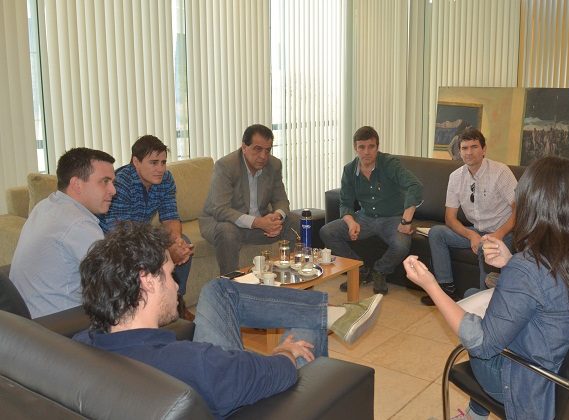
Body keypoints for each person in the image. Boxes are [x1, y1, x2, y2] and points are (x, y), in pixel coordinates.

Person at [73, 221, 383, 419]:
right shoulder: (199, 364)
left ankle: (334, 314)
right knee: (301, 338)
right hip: (236, 402)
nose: (177, 286)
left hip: (203, 387)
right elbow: (276, 373)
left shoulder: (80, 347)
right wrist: (284, 354)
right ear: (148, 281)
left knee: (218, 290)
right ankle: (330, 316)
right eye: (169, 275)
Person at [403, 156, 569, 420]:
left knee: (478, 335)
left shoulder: (529, 267)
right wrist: (510, 264)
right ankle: (475, 415)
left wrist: (431, 286)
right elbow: (558, 291)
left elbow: (482, 345)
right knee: (476, 296)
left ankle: (473, 415)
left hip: (536, 384)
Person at [10, 147, 116, 318]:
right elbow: (116, 282)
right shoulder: (78, 223)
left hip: (27, 324)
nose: (113, 190)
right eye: (105, 181)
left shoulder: (46, 205)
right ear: (76, 184)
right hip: (61, 327)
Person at [98, 135, 194, 318]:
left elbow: (170, 217)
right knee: (155, 252)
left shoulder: (166, 179)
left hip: (140, 232)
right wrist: (164, 252)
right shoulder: (120, 183)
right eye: (154, 162)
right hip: (112, 238)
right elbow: (122, 233)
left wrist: (176, 242)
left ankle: (176, 301)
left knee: (185, 243)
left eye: (163, 162)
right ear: (136, 161)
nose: (160, 169)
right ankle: (146, 307)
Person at [320, 126, 423, 295]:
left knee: (401, 244)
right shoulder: (349, 170)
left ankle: (380, 271)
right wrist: (351, 221)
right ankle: (359, 270)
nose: (367, 152)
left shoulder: (390, 164)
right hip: (365, 217)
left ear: (377, 147)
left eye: (371, 147)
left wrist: (406, 220)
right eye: (362, 147)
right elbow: (345, 202)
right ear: (355, 148)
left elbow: (415, 186)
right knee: (327, 231)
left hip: (392, 218)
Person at [421, 128, 516, 306]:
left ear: (484, 149)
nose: (469, 152)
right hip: (476, 231)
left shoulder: (500, 172)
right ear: (459, 151)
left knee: (485, 247)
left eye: (474, 147)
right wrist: (471, 235)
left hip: (503, 232)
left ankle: (484, 300)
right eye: (464, 148)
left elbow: (519, 209)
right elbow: (450, 218)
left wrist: (499, 234)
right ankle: (446, 290)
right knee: (437, 233)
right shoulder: (456, 177)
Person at [199, 124, 300, 275]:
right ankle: (231, 285)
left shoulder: (274, 165)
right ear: (244, 147)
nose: (263, 156)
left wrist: (276, 216)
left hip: (260, 224)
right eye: (257, 149)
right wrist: (258, 223)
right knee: (227, 232)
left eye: (267, 150)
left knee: (294, 220)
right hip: (226, 223)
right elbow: (220, 210)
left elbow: (282, 200)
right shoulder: (226, 166)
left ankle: (289, 275)